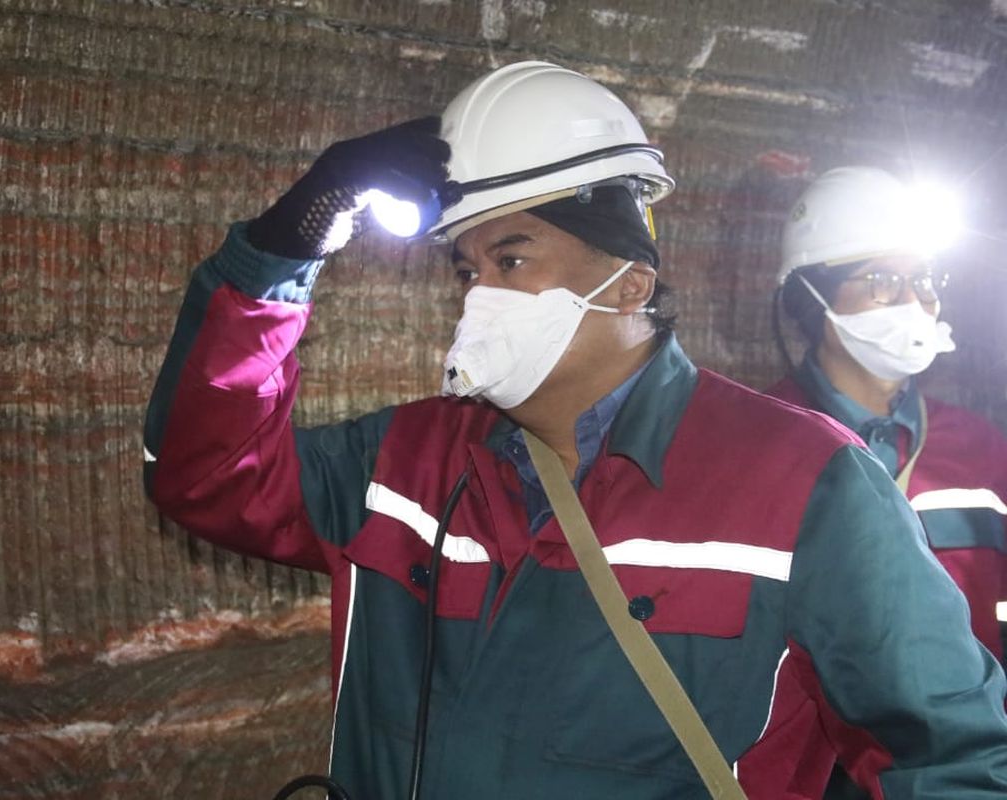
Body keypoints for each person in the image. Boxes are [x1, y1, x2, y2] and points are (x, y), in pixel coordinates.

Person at [144, 62, 1007, 799]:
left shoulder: (805, 482)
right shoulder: (406, 460)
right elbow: (208, 475)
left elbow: (949, 752)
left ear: (630, 283)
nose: (479, 293)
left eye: (511, 259)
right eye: (468, 267)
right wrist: (281, 247)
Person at [766, 165, 1007, 798]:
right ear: (810, 300)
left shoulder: (979, 452)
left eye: (923, 279)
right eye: (882, 281)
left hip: (959, 770)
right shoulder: (760, 447)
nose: (914, 301)